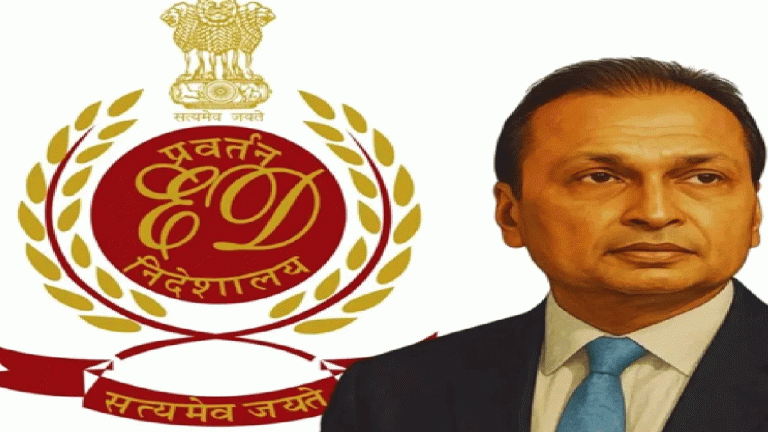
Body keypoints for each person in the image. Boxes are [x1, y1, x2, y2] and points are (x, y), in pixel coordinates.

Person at [320, 58, 768, 432]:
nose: (654, 213)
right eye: (600, 177)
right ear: (510, 213)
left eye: (704, 178)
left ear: (754, 214)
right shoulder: (388, 393)